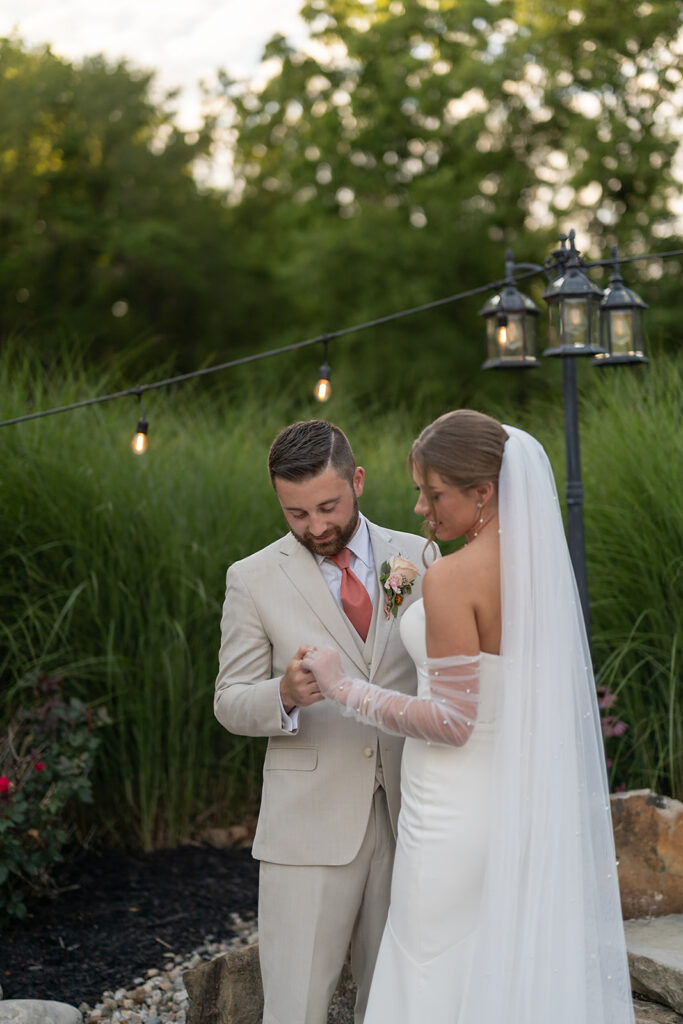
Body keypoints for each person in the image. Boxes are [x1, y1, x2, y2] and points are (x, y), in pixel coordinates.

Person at [304, 409, 635, 1024]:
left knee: (433, 963)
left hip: (453, 811)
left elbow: (453, 721)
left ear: (483, 492)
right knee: (494, 964)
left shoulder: (454, 579)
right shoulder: (538, 572)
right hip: (514, 801)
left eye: (433, 495)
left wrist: (342, 687)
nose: (421, 511)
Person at [214, 419, 435, 1024]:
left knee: (396, 1005)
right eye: (296, 514)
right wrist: (282, 694)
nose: (316, 527)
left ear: (357, 480)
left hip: (410, 818)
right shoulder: (252, 578)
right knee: (295, 1009)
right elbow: (229, 700)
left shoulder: (418, 557)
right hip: (306, 830)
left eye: (328, 507)